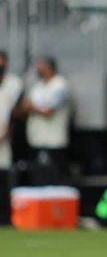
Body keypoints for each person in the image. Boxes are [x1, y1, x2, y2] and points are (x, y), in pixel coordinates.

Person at [16, 58, 71, 186]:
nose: (38, 70)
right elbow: (22, 108)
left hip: (54, 142)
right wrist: (32, 107)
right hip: (36, 141)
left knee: (53, 180)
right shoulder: (38, 86)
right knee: (37, 179)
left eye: (40, 67)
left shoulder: (60, 85)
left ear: (49, 68)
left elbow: (48, 111)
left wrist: (31, 107)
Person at [0, 52, 23, 224]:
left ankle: (6, 218)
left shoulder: (12, 85)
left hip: (4, 145)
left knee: (4, 181)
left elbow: (10, 118)